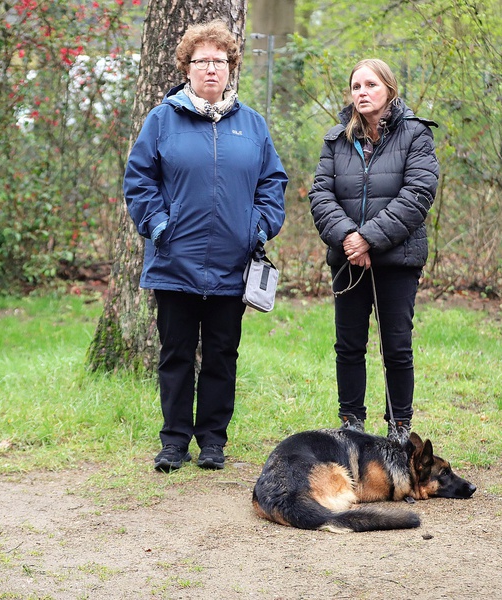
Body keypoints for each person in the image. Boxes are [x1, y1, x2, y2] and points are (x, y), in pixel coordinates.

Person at [124, 20, 287, 472]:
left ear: (231, 67)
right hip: (174, 261)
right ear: (187, 68)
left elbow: (273, 184)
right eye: (202, 61)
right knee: (176, 354)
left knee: (220, 355)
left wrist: (257, 229)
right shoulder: (162, 120)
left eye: (220, 61)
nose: (211, 68)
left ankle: (213, 441)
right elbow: (139, 180)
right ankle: (174, 441)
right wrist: (160, 226)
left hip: (233, 264)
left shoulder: (252, 125)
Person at [309, 58, 439, 444]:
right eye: (356, 87)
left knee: (396, 347)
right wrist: (349, 238)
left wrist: (369, 238)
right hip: (348, 260)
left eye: (371, 85)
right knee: (349, 346)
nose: (362, 92)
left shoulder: (416, 134)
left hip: (397, 260)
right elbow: (321, 195)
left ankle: (399, 429)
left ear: (389, 89)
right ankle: (351, 427)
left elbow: (418, 194)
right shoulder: (336, 140)